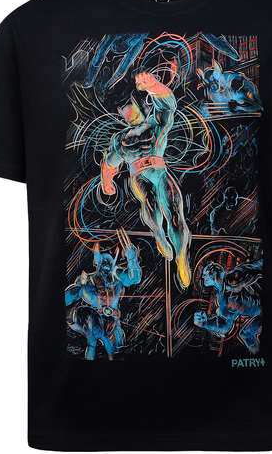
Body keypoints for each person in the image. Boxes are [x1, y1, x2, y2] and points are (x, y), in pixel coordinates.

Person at [101, 72, 191, 287]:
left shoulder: (155, 124)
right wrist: (107, 182)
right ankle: (159, 234)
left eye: (130, 105)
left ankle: (180, 257)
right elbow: (110, 163)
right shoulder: (120, 139)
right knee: (151, 201)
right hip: (140, 177)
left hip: (159, 172)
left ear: (138, 103)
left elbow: (168, 107)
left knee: (174, 214)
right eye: (123, 108)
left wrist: (153, 86)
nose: (128, 112)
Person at [65, 228, 141, 360]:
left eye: (108, 263)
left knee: (116, 350)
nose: (105, 268)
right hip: (92, 324)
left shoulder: (117, 279)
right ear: (97, 261)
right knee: (93, 342)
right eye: (103, 262)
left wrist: (132, 259)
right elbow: (71, 296)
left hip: (112, 326)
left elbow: (134, 278)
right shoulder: (87, 282)